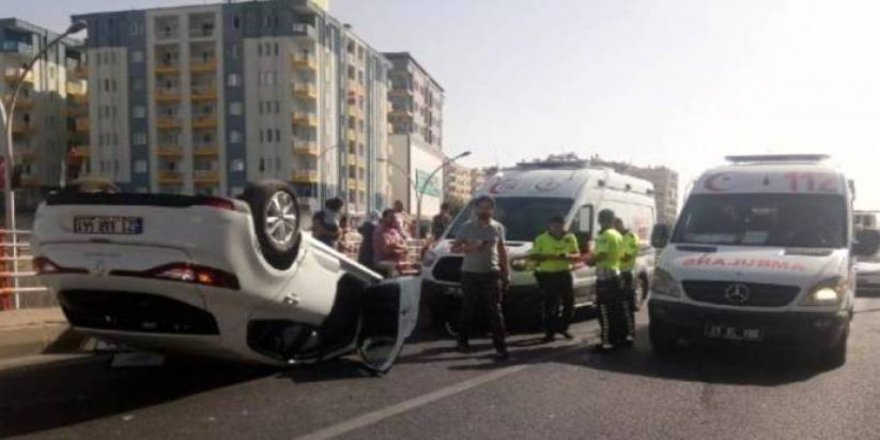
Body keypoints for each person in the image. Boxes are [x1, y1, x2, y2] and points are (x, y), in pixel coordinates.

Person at [451, 195, 510, 360]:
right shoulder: (466, 227)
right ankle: (462, 342)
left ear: (493, 210)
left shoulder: (498, 227)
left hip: (491, 273)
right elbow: (454, 248)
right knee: (467, 310)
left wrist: (506, 273)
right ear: (476, 209)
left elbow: (502, 251)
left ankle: (501, 347)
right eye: (481, 207)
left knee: (495, 312)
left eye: (488, 208)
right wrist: (469, 247)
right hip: (470, 273)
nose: (484, 211)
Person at [587, 209, 634, 352]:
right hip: (617, 274)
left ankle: (607, 342)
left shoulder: (605, 235)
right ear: (613, 220)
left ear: (600, 221)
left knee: (604, 311)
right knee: (619, 309)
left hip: (605, 277)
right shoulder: (618, 235)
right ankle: (624, 337)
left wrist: (590, 261)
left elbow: (602, 254)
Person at [530, 215, 581, 343]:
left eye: (560, 226)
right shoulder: (541, 239)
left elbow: (577, 255)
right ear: (550, 226)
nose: (558, 229)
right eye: (555, 226)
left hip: (564, 273)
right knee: (550, 304)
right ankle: (549, 332)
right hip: (548, 275)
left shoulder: (570, 238)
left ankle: (563, 327)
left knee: (569, 302)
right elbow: (533, 256)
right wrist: (548, 256)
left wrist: (568, 256)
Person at [615, 218, 642, 310]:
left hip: (627, 272)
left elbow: (627, 256)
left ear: (620, 225)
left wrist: (611, 257)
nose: (614, 229)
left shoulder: (631, 237)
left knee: (627, 303)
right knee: (617, 304)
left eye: (615, 226)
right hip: (616, 273)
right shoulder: (616, 237)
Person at [373, 209, 408, 277]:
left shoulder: (394, 231)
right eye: (391, 217)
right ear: (384, 218)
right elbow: (387, 251)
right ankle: (392, 284)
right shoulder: (380, 231)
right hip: (382, 261)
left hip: (397, 260)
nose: (393, 220)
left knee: (412, 266)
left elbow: (404, 245)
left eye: (394, 218)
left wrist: (395, 246)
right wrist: (399, 248)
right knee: (394, 267)